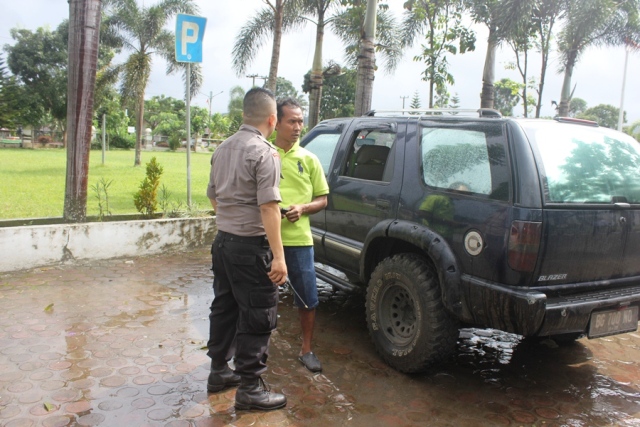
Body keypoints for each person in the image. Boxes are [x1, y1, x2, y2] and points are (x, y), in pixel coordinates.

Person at [206, 87, 288, 411]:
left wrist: (230, 219)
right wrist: (279, 257)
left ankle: (218, 372)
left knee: (224, 307)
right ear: (272, 119)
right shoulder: (264, 153)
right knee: (258, 312)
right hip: (249, 247)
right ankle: (251, 389)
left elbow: (212, 196)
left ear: (244, 115)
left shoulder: (222, 148)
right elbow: (269, 208)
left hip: (222, 242)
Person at [273, 97, 329, 372]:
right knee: (260, 295)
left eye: (300, 121)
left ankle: (306, 349)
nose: (298, 127)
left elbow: (323, 199)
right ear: (276, 122)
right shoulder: (266, 154)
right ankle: (257, 346)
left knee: (307, 297)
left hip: (299, 241)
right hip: (266, 239)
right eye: (291, 121)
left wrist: (303, 208)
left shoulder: (309, 159)